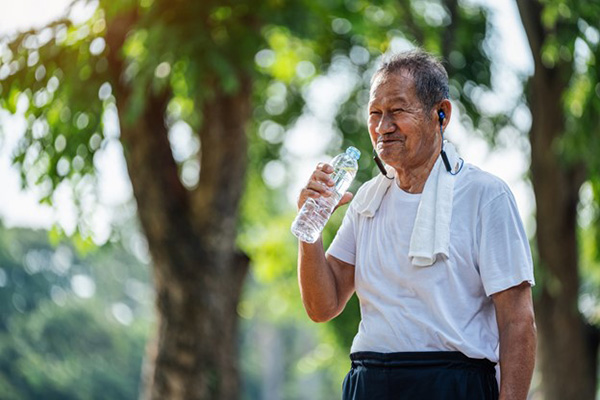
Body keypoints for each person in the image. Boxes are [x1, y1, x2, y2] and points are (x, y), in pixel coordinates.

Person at [296, 49, 536, 400]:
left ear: (441, 113)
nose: (382, 127)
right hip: (370, 383)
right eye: (374, 114)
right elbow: (322, 306)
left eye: (397, 111)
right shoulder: (366, 200)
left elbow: (518, 322)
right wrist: (310, 228)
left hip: (453, 385)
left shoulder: (485, 195)